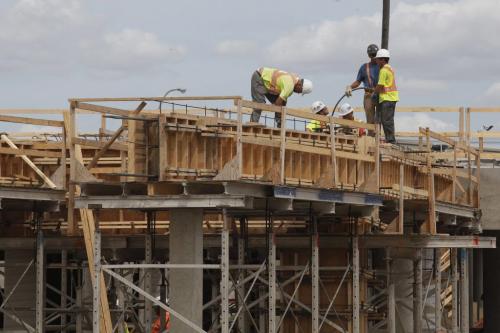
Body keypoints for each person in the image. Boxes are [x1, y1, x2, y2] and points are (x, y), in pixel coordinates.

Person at [345, 44, 380, 130]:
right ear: (369, 55)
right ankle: (371, 138)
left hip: (380, 95)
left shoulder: (382, 66)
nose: (373, 57)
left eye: (375, 55)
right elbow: (358, 82)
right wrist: (350, 87)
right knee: (370, 120)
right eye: (372, 55)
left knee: (380, 119)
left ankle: (380, 138)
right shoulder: (364, 67)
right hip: (369, 95)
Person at [373, 49, 399, 143]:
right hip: (392, 98)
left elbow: (380, 85)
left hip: (387, 98)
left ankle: (390, 139)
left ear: (383, 60)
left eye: (378, 59)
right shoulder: (390, 68)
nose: (376, 61)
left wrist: (374, 93)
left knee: (386, 120)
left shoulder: (383, 70)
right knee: (388, 119)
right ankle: (390, 138)